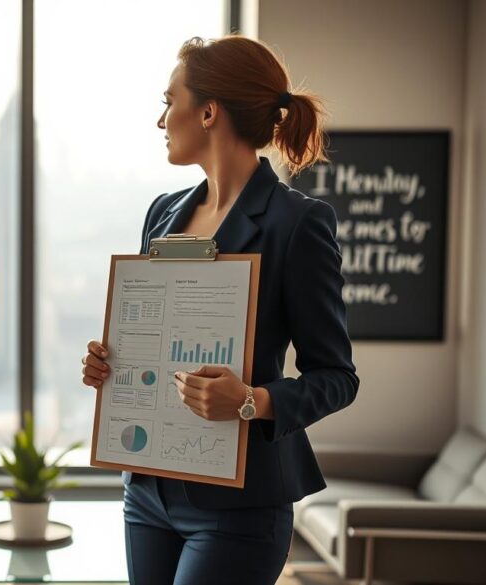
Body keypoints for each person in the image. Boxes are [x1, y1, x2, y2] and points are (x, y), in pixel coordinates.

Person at [80, 35, 359, 585]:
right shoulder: (162, 214)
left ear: (208, 112)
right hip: (148, 492)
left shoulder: (297, 223)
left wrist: (252, 401)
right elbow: (156, 335)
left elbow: (337, 377)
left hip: (239, 508)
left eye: (169, 101)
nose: (161, 120)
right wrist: (111, 365)